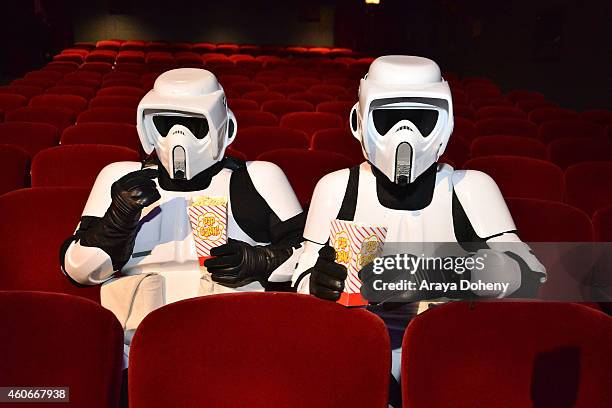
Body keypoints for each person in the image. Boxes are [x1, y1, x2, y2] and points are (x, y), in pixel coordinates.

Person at [291, 55, 546, 407]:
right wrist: (318, 282)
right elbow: (303, 271)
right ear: (360, 120)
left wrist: (431, 274)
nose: (404, 134)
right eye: (390, 119)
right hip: (355, 344)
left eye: (420, 119)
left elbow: (527, 273)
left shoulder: (470, 188)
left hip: (448, 349)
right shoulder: (336, 188)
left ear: (446, 122)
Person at [60, 68, 305, 365]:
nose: (179, 137)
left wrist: (262, 261)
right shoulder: (120, 178)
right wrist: (116, 222)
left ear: (223, 128)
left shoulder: (257, 178)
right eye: (167, 123)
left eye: (192, 124)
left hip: (235, 345)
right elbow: (77, 269)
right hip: (135, 350)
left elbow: (310, 257)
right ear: (149, 127)